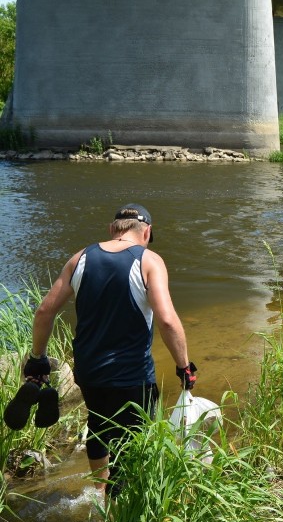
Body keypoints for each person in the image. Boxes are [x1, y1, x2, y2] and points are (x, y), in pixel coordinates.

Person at [24, 203, 197, 497]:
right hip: (132, 374)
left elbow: (44, 312)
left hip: (88, 372)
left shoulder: (79, 258)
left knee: (98, 426)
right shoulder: (150, 261)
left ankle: (100, 496)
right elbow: (167, 321)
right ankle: (123, 512)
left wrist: (37, 359)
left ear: (112, 230)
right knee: (132, 440)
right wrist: (184, 366)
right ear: (147, 232)